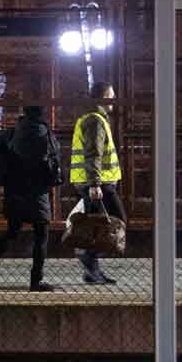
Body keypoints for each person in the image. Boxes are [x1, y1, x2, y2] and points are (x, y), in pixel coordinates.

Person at [0, 106, 61, 292]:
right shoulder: (46, 134)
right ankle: (36, 281)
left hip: (15, 190)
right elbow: (54, 161)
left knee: (12, 232)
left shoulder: (12, 132)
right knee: (41, 235)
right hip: (38, 192)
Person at [69, 83, 124, 285]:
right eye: (111, 93)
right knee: (118, 221)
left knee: (98, 226)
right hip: (98, 183)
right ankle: (88, 254)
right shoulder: (95, 121)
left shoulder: (93, 117)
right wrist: (95, 184)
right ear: (103, 96)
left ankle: (93, 271)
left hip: (95, 182)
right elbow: (93, 154)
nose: (115, 97)